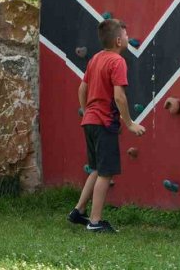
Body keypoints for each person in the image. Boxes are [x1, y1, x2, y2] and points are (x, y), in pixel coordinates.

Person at [67, 19, 146, 233]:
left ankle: (78, 211)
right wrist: (129, 123)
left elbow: (82, 89)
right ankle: (95, 221)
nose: (129, 39)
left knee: (96, 169)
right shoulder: (118, 62)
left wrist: (87, 111)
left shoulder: (95, 59)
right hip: (104, 124)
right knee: (106, 173)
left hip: (90, 121)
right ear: (119, 40)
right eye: (127, 36)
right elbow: (119, 97)